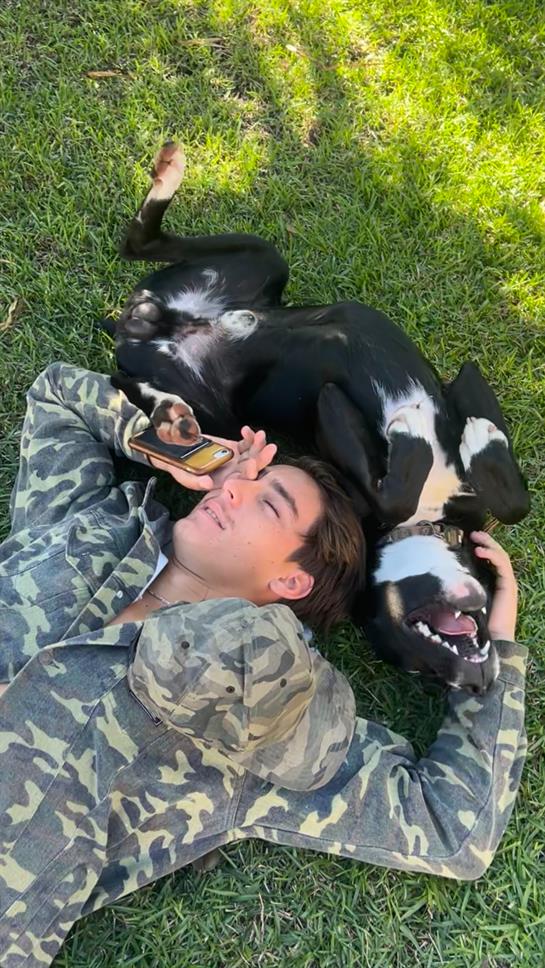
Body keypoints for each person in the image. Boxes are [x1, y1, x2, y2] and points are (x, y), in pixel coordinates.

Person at [0, 363, 527, 968]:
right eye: (245, 481)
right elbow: (58, 396)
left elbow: (451, 828)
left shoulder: (265, 709)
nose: (234, 488)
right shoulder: (91, 522)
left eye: (266, 503)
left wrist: (494, 656)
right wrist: (182, 451)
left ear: (291, 579)